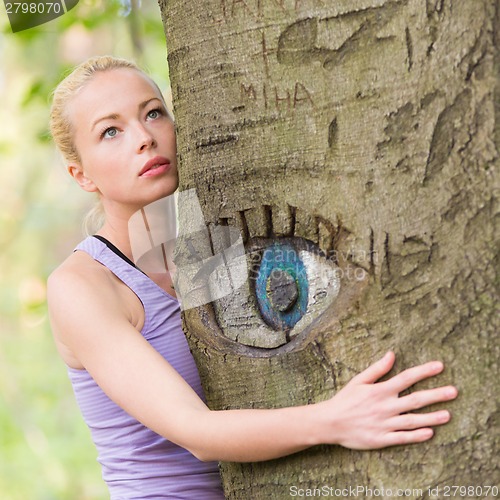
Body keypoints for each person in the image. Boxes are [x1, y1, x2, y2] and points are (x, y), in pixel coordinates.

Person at [47, 55, 458, 499]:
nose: (145, 138)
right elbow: (196, 432)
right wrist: (337, 419)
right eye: (111, 131)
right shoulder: (81, 287)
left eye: (153, 112)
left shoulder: (206, 244)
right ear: (81, 174)